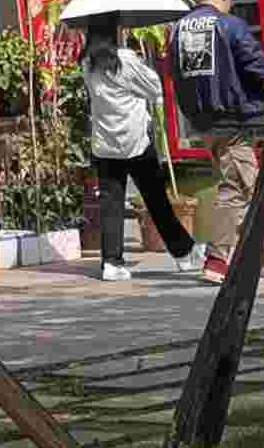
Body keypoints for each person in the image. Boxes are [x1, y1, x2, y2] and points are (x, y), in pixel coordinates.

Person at [166, 0, 264, 283]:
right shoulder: (229, 24)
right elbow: (256, 66)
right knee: (236, 189)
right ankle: (217, 261)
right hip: (231, 120)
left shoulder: (178, 30)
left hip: (202, 121)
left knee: (248, 185)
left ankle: (255, 251)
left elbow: (174, 74)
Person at [83, 24, 204, 282]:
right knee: (156, 199)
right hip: (135, 141)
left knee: (111, 204)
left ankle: (112, 262)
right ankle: (183, 254)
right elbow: (154, 88)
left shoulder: (87, 64)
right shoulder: (125, 60)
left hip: (105, 144)